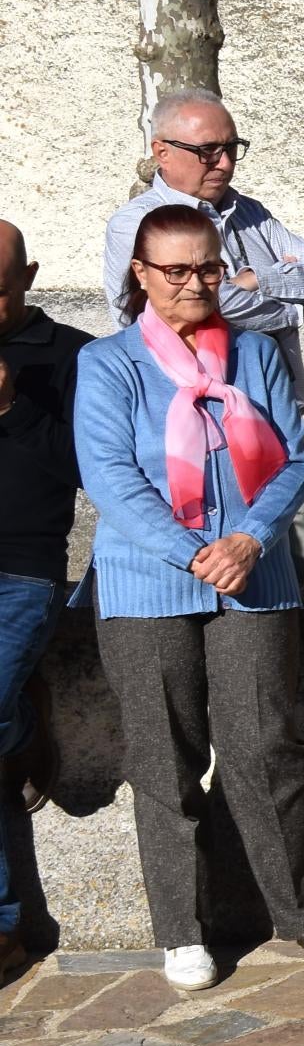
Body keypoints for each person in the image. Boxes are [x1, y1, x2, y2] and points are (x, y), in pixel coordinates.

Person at [77, 205, 304, 993]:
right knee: (162, 758)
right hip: (145, 581)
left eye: (207, 267)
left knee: (268, 746)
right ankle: (182, 929)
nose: (197, 283)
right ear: (141, 275)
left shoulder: (257, 353)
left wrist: (249, 542)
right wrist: (193, 551)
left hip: (253, 577)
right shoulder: (109, 365)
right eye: (177, 270)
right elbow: (110, 479)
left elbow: (290, 459)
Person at [103, 90, 304, 582]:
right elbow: (202, 305)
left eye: (233, 147)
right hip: (187, 419)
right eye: (208, 151)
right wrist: (290, 311)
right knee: (214, 546)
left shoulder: (250, 212)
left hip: (271, 408)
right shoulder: (138, 223)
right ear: (162, 151)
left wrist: (261, 278)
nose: (226, 162)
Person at [0, 220, 85, 977]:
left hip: (19, 569)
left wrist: (14, 412)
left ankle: (3, 925)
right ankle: (20, 728)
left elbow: (86, 467)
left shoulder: (72, 356)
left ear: (28, 277)